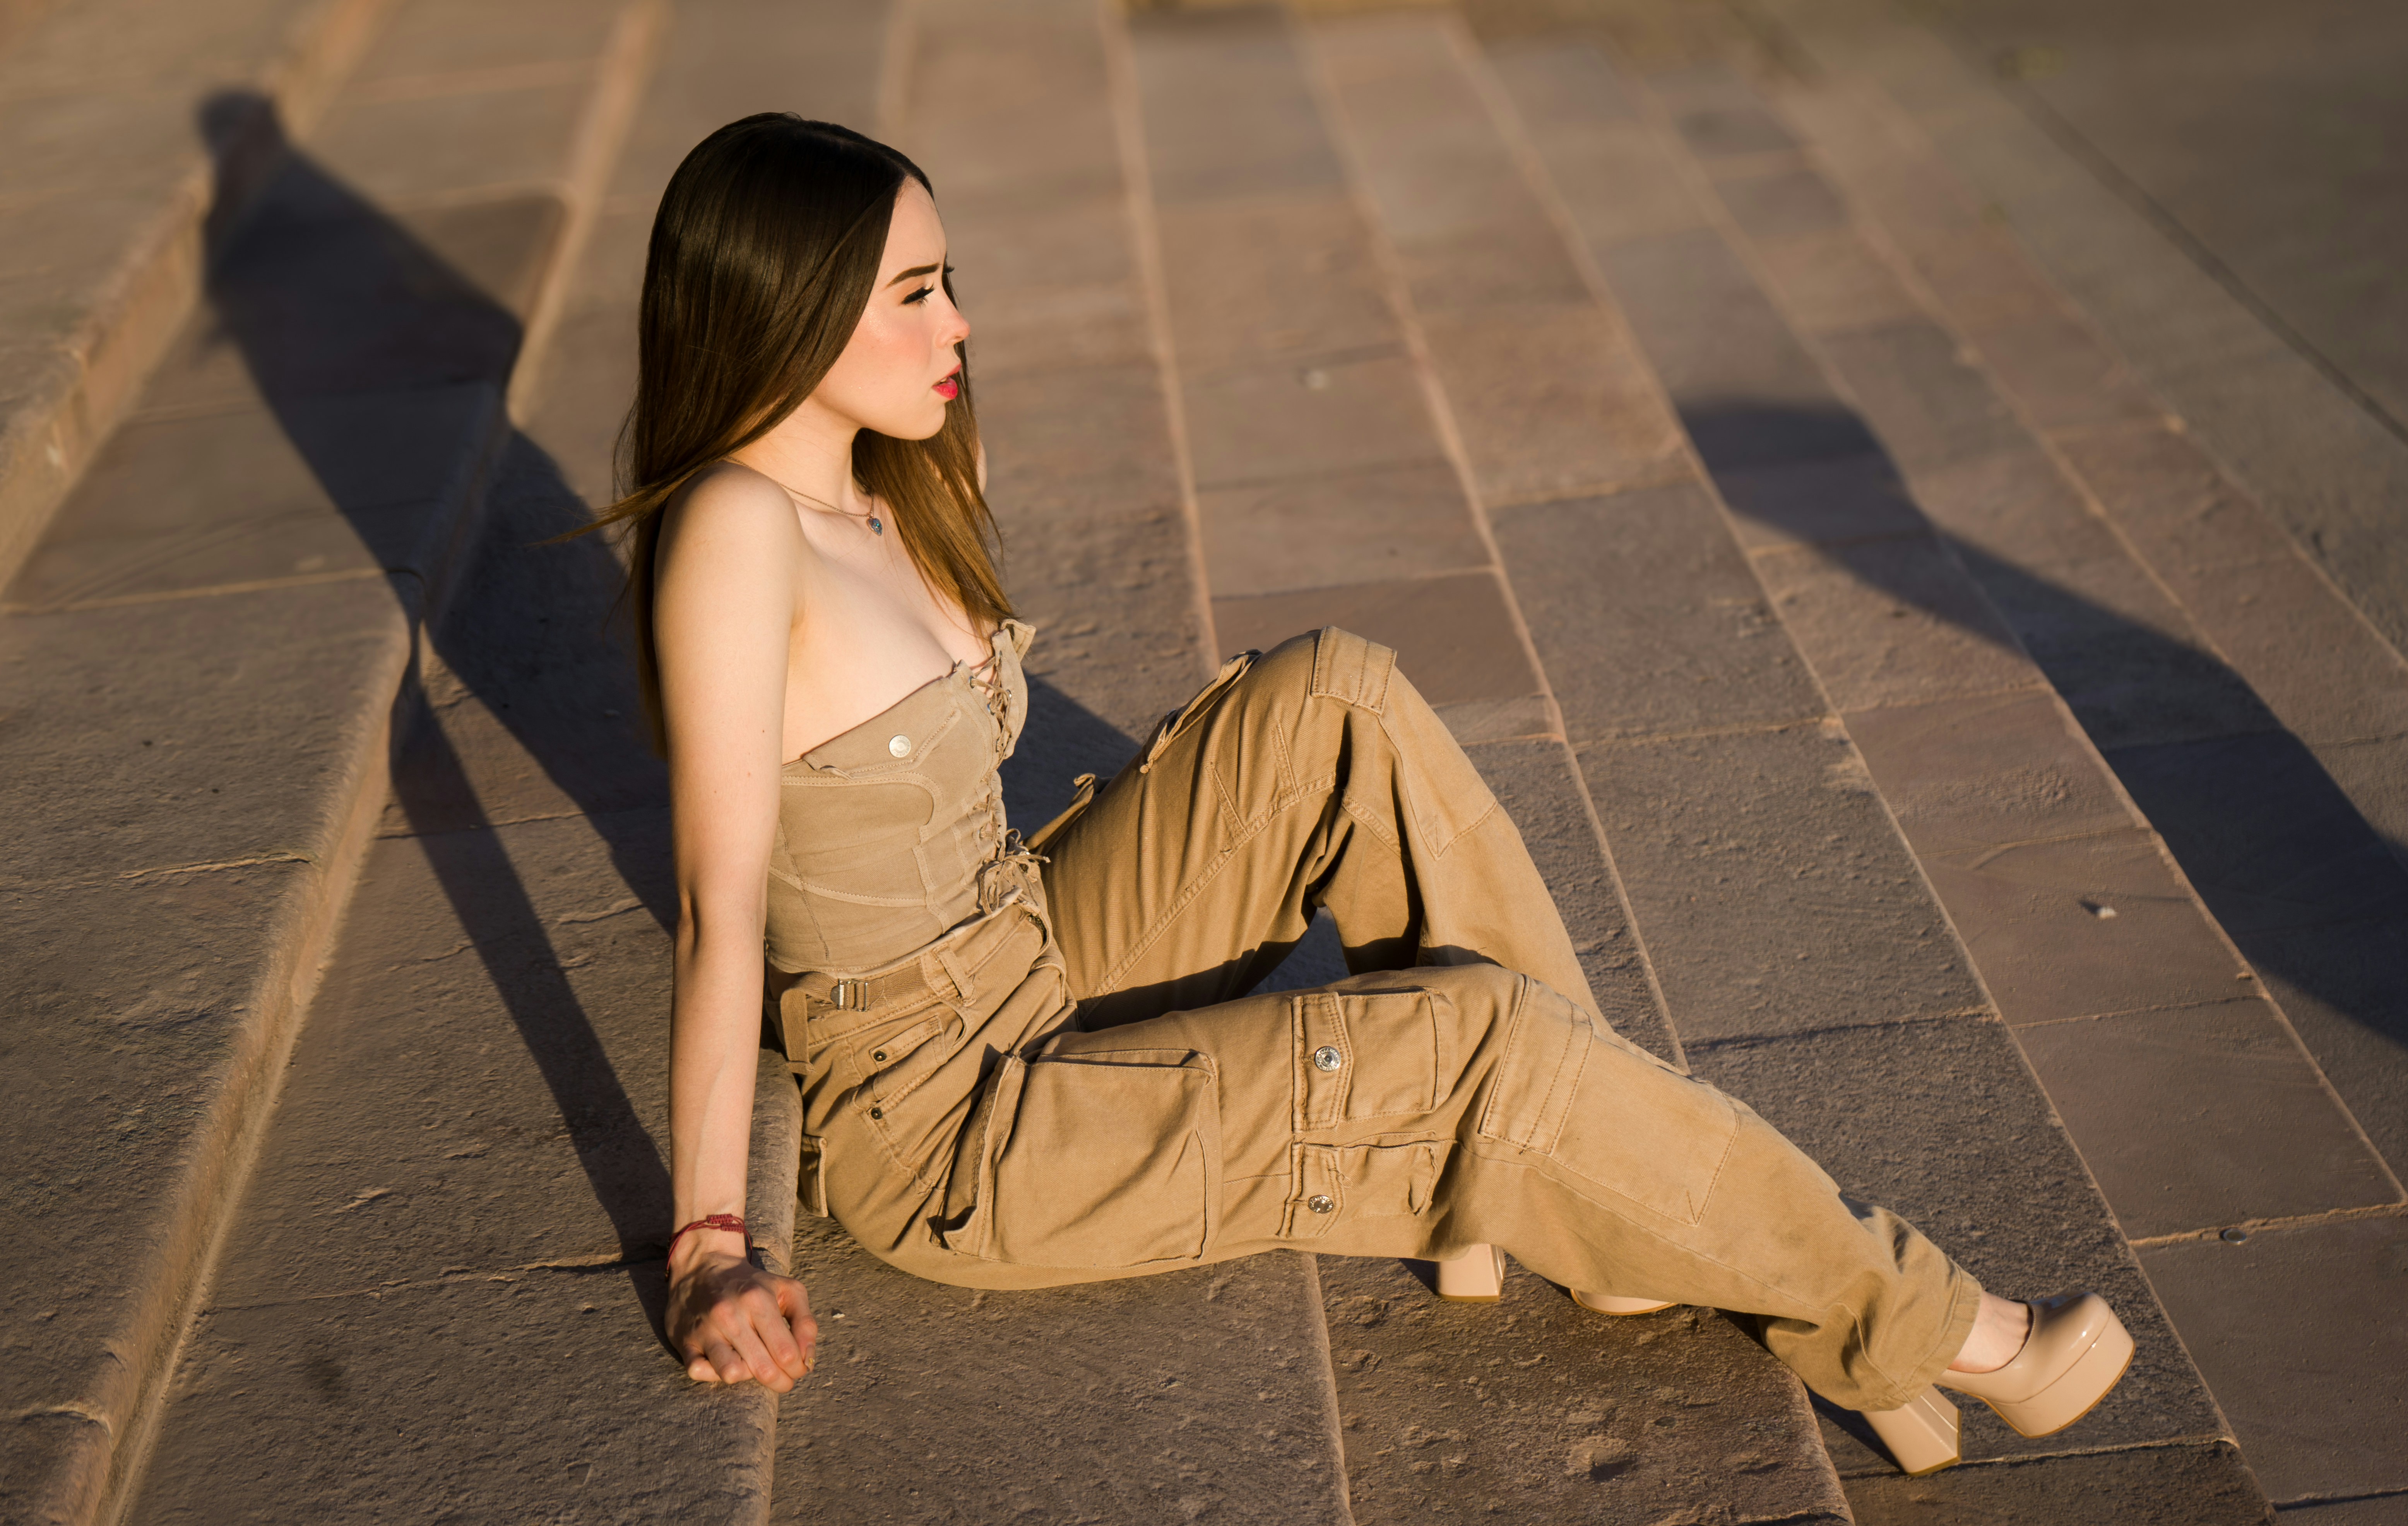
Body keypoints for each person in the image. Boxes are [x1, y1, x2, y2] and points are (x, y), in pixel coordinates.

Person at [588, 112, 2132, 1478]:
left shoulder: (872, 480)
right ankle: (1948, 1327)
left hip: (1029, 946)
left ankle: (1583, 1190)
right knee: (1477, 1036)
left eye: (947, 277)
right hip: (953, 1126)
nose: (963, 322)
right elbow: (724, 914)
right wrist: (711, 1245)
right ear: (788, 310)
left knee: (1334, 693)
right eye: (916, 292)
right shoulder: (738, 529)